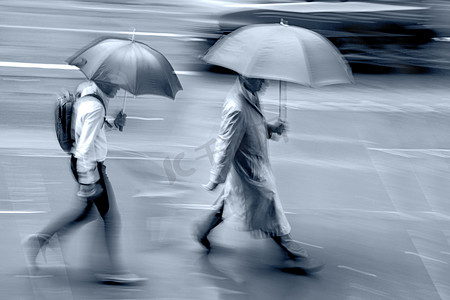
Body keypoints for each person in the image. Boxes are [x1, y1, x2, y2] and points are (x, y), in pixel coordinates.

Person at [23, 80, 146, 284]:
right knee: (110, 218)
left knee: (85, 214)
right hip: (90, 167)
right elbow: (85, 147)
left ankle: (39, 241)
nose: (118, 88)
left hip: (85, 165)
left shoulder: (87, 93)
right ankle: (112, 270)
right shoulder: (95, 106)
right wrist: (89, 181)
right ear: (103, 81)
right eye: (115, 85)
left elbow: (89, 128)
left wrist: (113, 122)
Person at [196, 75, 323, 272]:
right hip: (249, 172)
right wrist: (216, 177)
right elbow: (225, 144)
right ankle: (297, 256)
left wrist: (271, 129)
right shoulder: (236, 107)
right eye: (261, 79)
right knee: (270, 209)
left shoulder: (250, 94)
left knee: (230, 199)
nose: (266, 83)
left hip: (250, 167)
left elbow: (252, 126)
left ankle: (202, 230)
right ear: (245, 77)